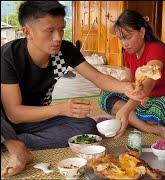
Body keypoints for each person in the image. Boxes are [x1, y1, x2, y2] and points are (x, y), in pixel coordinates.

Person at [1, 1, 144, 150]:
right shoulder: (9, 56)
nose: (58, 37)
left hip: (37, 118)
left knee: (87, 127)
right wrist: (61, 109)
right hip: (5, 121)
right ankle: (9, 139)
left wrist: (127, 87)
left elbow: (98, 78)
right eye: (50, 31)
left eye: (61, 29)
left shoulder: (65, 51)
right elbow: (14, 114)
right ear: (27, 32)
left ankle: (13, 142)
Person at [99, 10, 165, 137]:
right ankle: (148, 126)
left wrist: (126, 109)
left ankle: (133, 119)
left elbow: (147, 84)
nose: (124, 43)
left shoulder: (156, 49)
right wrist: (116, 85)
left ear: (142, 32)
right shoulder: (128, 52)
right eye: (120, 39)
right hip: (145, 101)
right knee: (105, 96)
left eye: (128, 37)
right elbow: (129, 80)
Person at [1, 110, 33, 177]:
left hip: (29, 120)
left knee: (60, 133)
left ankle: (5, 138)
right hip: (9, 117)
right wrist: (58, 109)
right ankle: (15, 146)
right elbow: (14, 114)